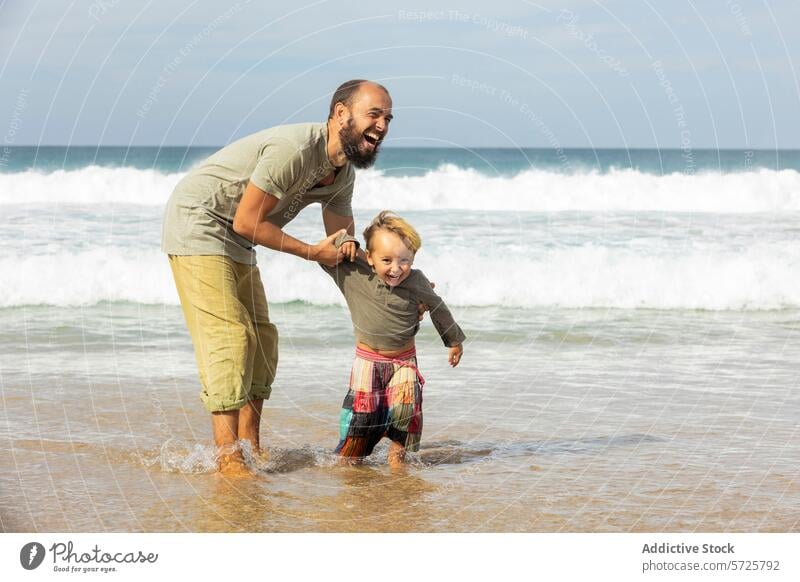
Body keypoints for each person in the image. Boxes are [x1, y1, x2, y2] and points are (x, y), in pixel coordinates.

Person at [161, 80, 393, 474]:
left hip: (236, 236)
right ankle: (228, 457)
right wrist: (309, 252)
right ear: (340, 113)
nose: (383, 125)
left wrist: (402, 290)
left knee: (263, 339)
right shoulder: (296, 150)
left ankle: (251, 446)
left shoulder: (341, 176)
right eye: (374, 114)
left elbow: (343, 249)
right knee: (231, 336)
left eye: (388, 118)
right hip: (199, 220)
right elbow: (248, 219)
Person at [321, 211, 465, 468]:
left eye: (404, 260)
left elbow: (438, 306)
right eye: (386, 260)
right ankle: (352, 465)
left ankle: (398, 463)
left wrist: (453, 340)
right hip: (367, 363)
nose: (396, 268)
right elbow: (324, 254)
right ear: (370, 257)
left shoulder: (417, 280)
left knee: (406, 411)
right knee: (359, 425)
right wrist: (345, 239)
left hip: (403, 362)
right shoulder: (355, 274)